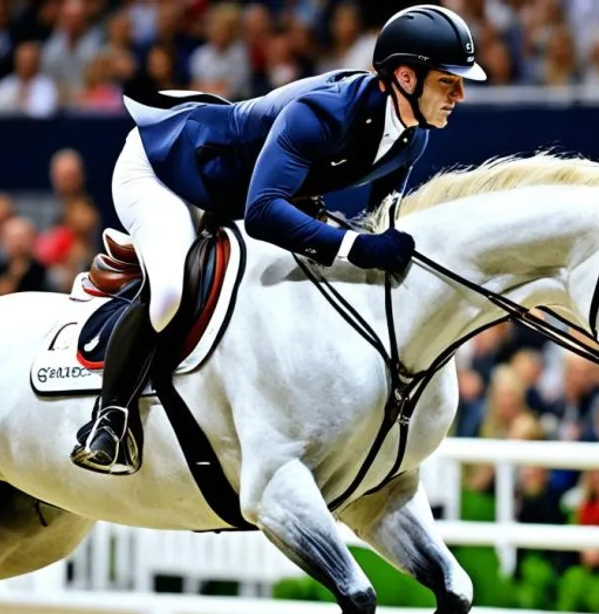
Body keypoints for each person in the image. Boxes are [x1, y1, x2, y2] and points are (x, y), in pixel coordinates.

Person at [71, 5, 486, 475]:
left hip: (233, 189)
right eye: (448, 82)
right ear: (407, 78)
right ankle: (109, 420)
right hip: (166, 168)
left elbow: (379, 217)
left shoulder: (414, 136)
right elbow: (264, 213)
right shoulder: (323, 114)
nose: (460, 94)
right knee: (169, 291)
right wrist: (355, 247)